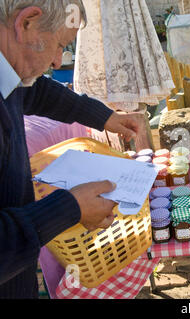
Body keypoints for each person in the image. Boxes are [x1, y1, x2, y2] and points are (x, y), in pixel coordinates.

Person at [0, 0, 144, 298]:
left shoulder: (11, 72)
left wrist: (105, 117)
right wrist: (70, 209)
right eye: (60, 45)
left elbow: (38, 91)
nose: (56, 61)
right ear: (27, 22)